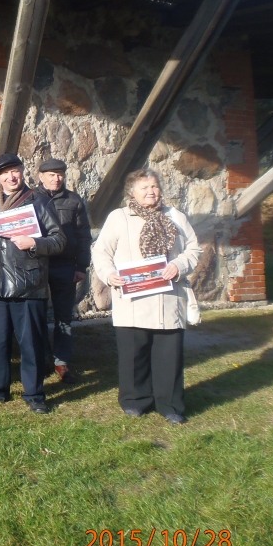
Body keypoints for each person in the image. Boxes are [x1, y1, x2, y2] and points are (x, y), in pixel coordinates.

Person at [92, 169, 201, 424]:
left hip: (167, 299)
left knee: (168, 356)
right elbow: (101, 252)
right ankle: (134, 400)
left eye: (154, 186)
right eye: (144, 187)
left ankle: (170, 404)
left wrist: (180, 265)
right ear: (132, 192)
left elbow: (194, 248)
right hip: (132, 300)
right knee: (133, 354)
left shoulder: (175, 216)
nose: (151, 191)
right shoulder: (119, 218)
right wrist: (109, 275)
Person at [0, 154, 66, 414]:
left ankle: (33, 393)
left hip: (28, 284)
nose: (11, 176)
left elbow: (59, 240)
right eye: (5, 173)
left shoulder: (39, 202)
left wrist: (34, 243)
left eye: (15, 171)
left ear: (23, 172)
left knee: (30, 343)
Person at [35, 158, 92, 383]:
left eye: (59, 174)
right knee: (36, 315)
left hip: (65, 265)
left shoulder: (73, 201)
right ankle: (42, 358)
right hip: (38, 265)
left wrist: (81, 266)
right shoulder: (30, 199)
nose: (56, 178)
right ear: (41, 176)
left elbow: (83, 235)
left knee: (63, 317)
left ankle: (61, 363)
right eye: (51, 174)